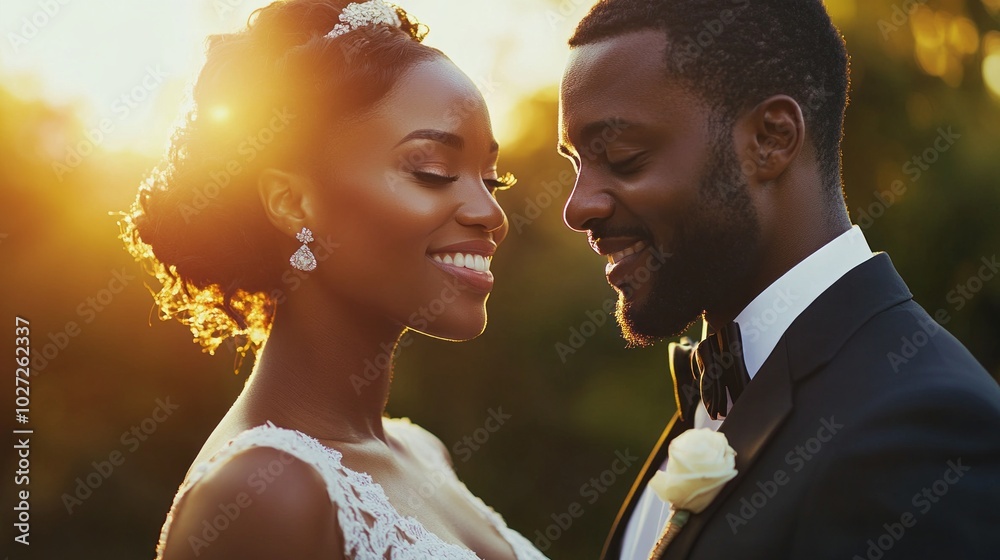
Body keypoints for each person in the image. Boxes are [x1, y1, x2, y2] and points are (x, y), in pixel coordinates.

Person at [557, 0, 1000, 558]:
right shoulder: (710, 405)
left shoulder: (924, 432)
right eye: (575, 165)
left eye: (623, 157)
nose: (576, 207)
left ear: (771, 139)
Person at [120, 1, 548, 558]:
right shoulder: (266, 493)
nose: (490, 212)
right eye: (434, 172)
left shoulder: (422, 452)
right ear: (292, 201)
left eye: (494, 178)